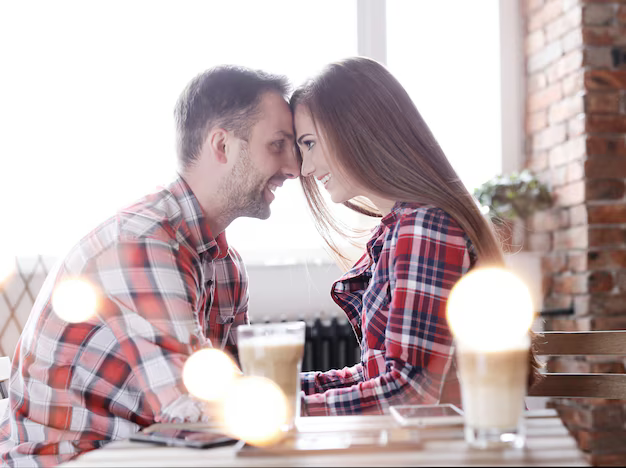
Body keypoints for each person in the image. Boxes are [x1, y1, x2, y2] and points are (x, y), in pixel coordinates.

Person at [0, 65, 298, 466]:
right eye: (278, 145)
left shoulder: (225, 265)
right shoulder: (142, 243)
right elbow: (197, 405)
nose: (294, 168)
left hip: (145, 454)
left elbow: (237, 397)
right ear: (223, 146)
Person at [292, 56, 540, 416]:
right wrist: (281, 390)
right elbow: (379, 376)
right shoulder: (404, 226)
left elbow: (409, 391)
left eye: (310, 143)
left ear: (356, 129)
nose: (306, 168)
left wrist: (287, 409)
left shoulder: (423, 226)